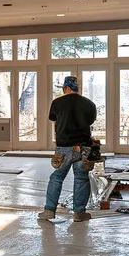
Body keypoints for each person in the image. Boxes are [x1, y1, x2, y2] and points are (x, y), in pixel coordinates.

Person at [38, 76, 97, 222]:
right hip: (83, 148)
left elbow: (53, 118)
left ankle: (49, 211)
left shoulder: (57, 102)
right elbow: (90, 121)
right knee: (81, 178)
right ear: (77, 88)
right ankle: (79, 213)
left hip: (64, 147)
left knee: (57, 177)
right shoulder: (89, 104)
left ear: (65, 88)